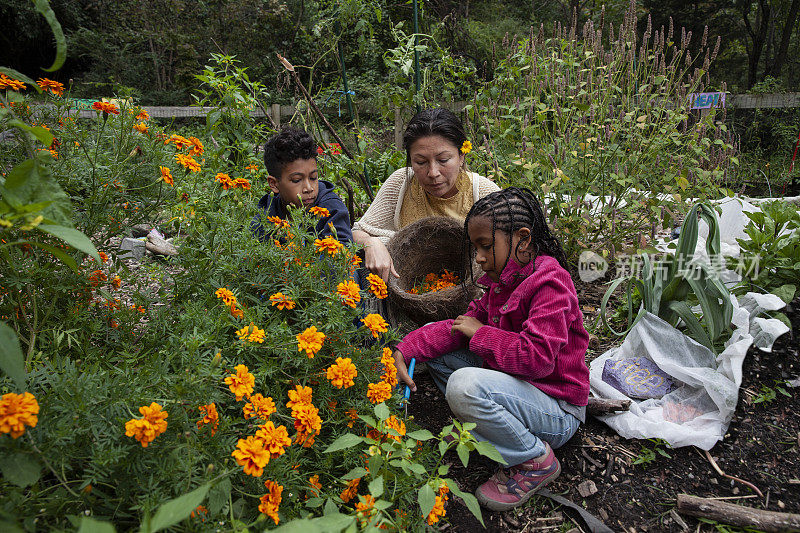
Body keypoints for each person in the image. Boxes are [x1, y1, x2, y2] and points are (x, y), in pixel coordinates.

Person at [391, 187, 590, 511]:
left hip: (556, 409)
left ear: (523, 240)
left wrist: (481, 333)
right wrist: (406, 349)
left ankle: (533, 459)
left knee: (463, 385)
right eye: (476, 247)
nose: (479, 257)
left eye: (485, 247)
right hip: (520, 388)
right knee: (433, 340)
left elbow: (537, 359)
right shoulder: (503, 279)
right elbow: (461, 326)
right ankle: (486, 428)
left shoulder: (551, 283)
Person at [352, 108, 499, 281]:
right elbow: (358, 232)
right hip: (410, 292)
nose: (433, 172)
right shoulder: (402, 184)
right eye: (420, 162)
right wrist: (372, 244)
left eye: (443, 160)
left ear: (461, 156)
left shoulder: (484, 194)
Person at [251, 127, 352, 244]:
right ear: (274, 184)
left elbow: (343, 251)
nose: (309, 188)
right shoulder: (267, 213)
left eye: (313, 177)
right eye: (297, 180)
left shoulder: (331, 207)